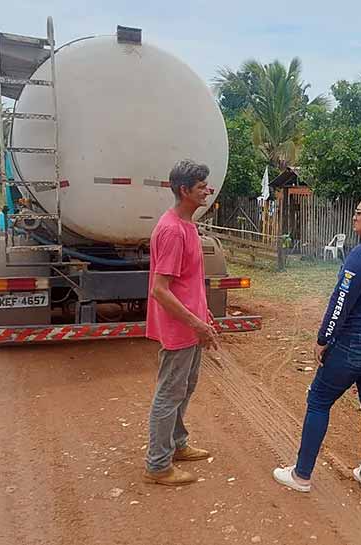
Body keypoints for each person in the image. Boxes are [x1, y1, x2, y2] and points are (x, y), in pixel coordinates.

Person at [273, 194, 361, 493]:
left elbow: (341, 302)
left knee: (319, 399)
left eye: (359, 212)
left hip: (359, 340)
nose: (354, 217)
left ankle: (301, 475)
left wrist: (324, 338)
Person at [143, 159, 219, 486]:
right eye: (201, 186)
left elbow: (188, 281)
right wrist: (196, 324)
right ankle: (157, 465)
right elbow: (160, 291)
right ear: (184, 190)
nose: (207, 190)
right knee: (169, 393)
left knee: (184, 388)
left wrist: (204, 315)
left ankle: (176, 445)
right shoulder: (172, 230)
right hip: (180, 329)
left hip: (191, 325)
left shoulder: (188, 225)